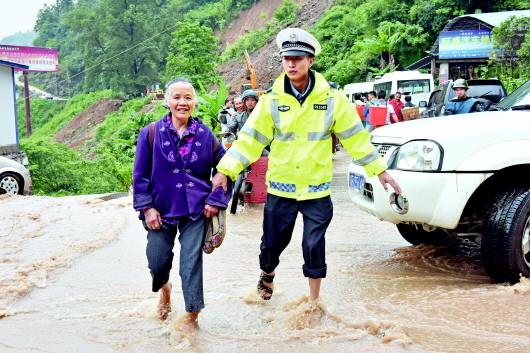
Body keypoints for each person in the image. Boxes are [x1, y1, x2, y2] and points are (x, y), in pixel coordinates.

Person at [211, 28, 401, 303]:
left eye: (298, 58)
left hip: (317, 188)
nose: (291, 63)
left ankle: (313, 302)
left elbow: (356, 139)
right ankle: (267, 273)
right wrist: (224, 171)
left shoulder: (332, 100)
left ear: (310, 60)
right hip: (281, 188)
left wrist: (379, 170)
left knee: (313, 245)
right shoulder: (271, 101)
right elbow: (249, 141)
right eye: (287, 58)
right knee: (272, 244)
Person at [132, 78, 232, 326]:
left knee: (191, 264)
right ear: (167, 101)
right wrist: (147, 208)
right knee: (157, 262)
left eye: (187, 98)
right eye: (177, 97)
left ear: (194, 102)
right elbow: (140, 175)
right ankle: (165, 290)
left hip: (196, 210)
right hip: (160, 210)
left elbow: (226, 167)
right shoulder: (151, 133)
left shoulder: (205, 134)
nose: (182, 102)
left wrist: (216, 199)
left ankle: (191, 318)